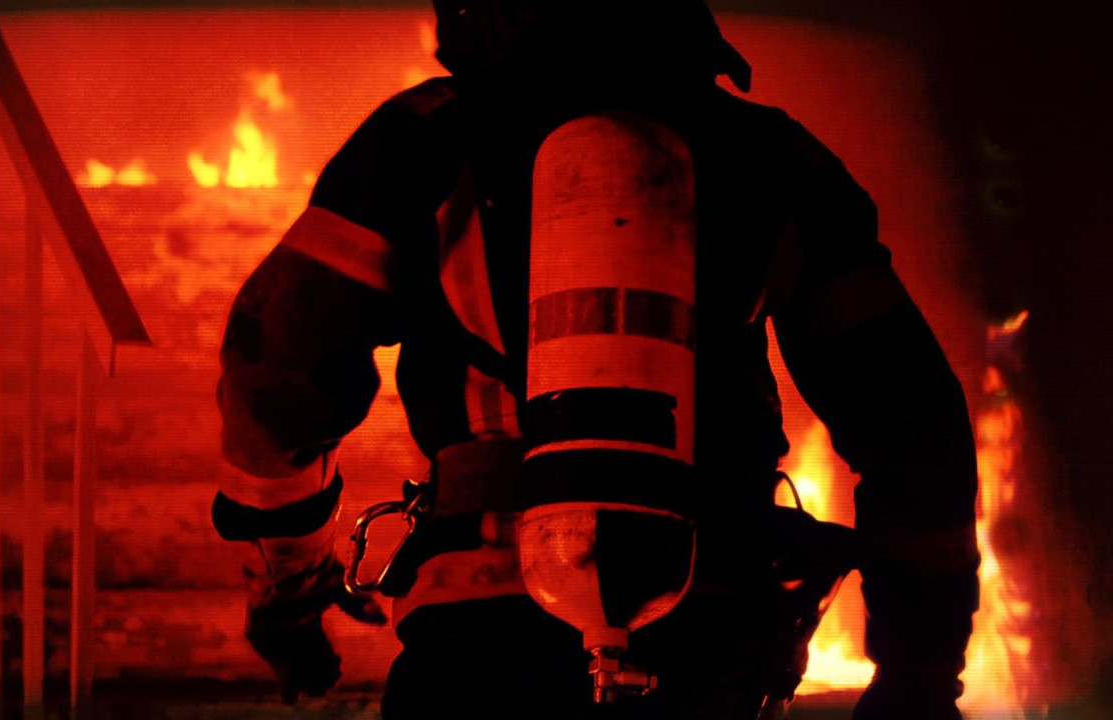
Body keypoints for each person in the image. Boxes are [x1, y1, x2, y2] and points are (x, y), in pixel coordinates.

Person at [210, 1, 980, 718]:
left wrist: (290, 585)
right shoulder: (771, 157)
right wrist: (918, 672)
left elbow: (273, 367)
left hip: (481, 633)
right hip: (712, 629)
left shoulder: (421, 145)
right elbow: (914, 426)